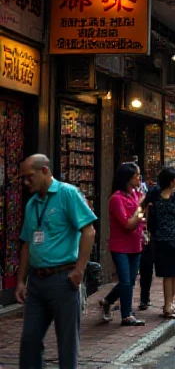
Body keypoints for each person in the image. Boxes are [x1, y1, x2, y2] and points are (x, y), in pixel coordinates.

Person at [17, 154, 96, 369]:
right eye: (23, 178)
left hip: (63, 279)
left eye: (29, 177)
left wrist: (79, 270)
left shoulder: (67, 194)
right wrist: (21, 281)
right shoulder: (32, 204)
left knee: (67, 342)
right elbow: (26, 244)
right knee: (30, 340)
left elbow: (88, 231)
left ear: (44, 171)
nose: (26, 182)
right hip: (37, 282)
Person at [99, 162, 146, 326]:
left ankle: (107, 301)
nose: (139, 178)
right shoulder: (116, 199)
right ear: (127, 178)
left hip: (135, 244)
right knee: (126, 281)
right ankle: (126, 315)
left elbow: (139, 220)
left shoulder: (134, 194)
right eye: (136, 175)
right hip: (120, 246)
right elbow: (128, 224)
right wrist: (141, 208)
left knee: (130, 281)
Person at [150, 166, 175, 318]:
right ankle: (169, 304)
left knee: (169, 273)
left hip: (162, 240)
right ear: (173, 181)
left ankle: (170, 303)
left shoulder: (155, 195)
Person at [138, 180, 161, 311]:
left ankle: (144, 299)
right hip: (144, 240)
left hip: (146, 240)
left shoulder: (145, 206)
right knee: (145, 271)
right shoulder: (149, 208)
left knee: (146, 271)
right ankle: (144, 299)